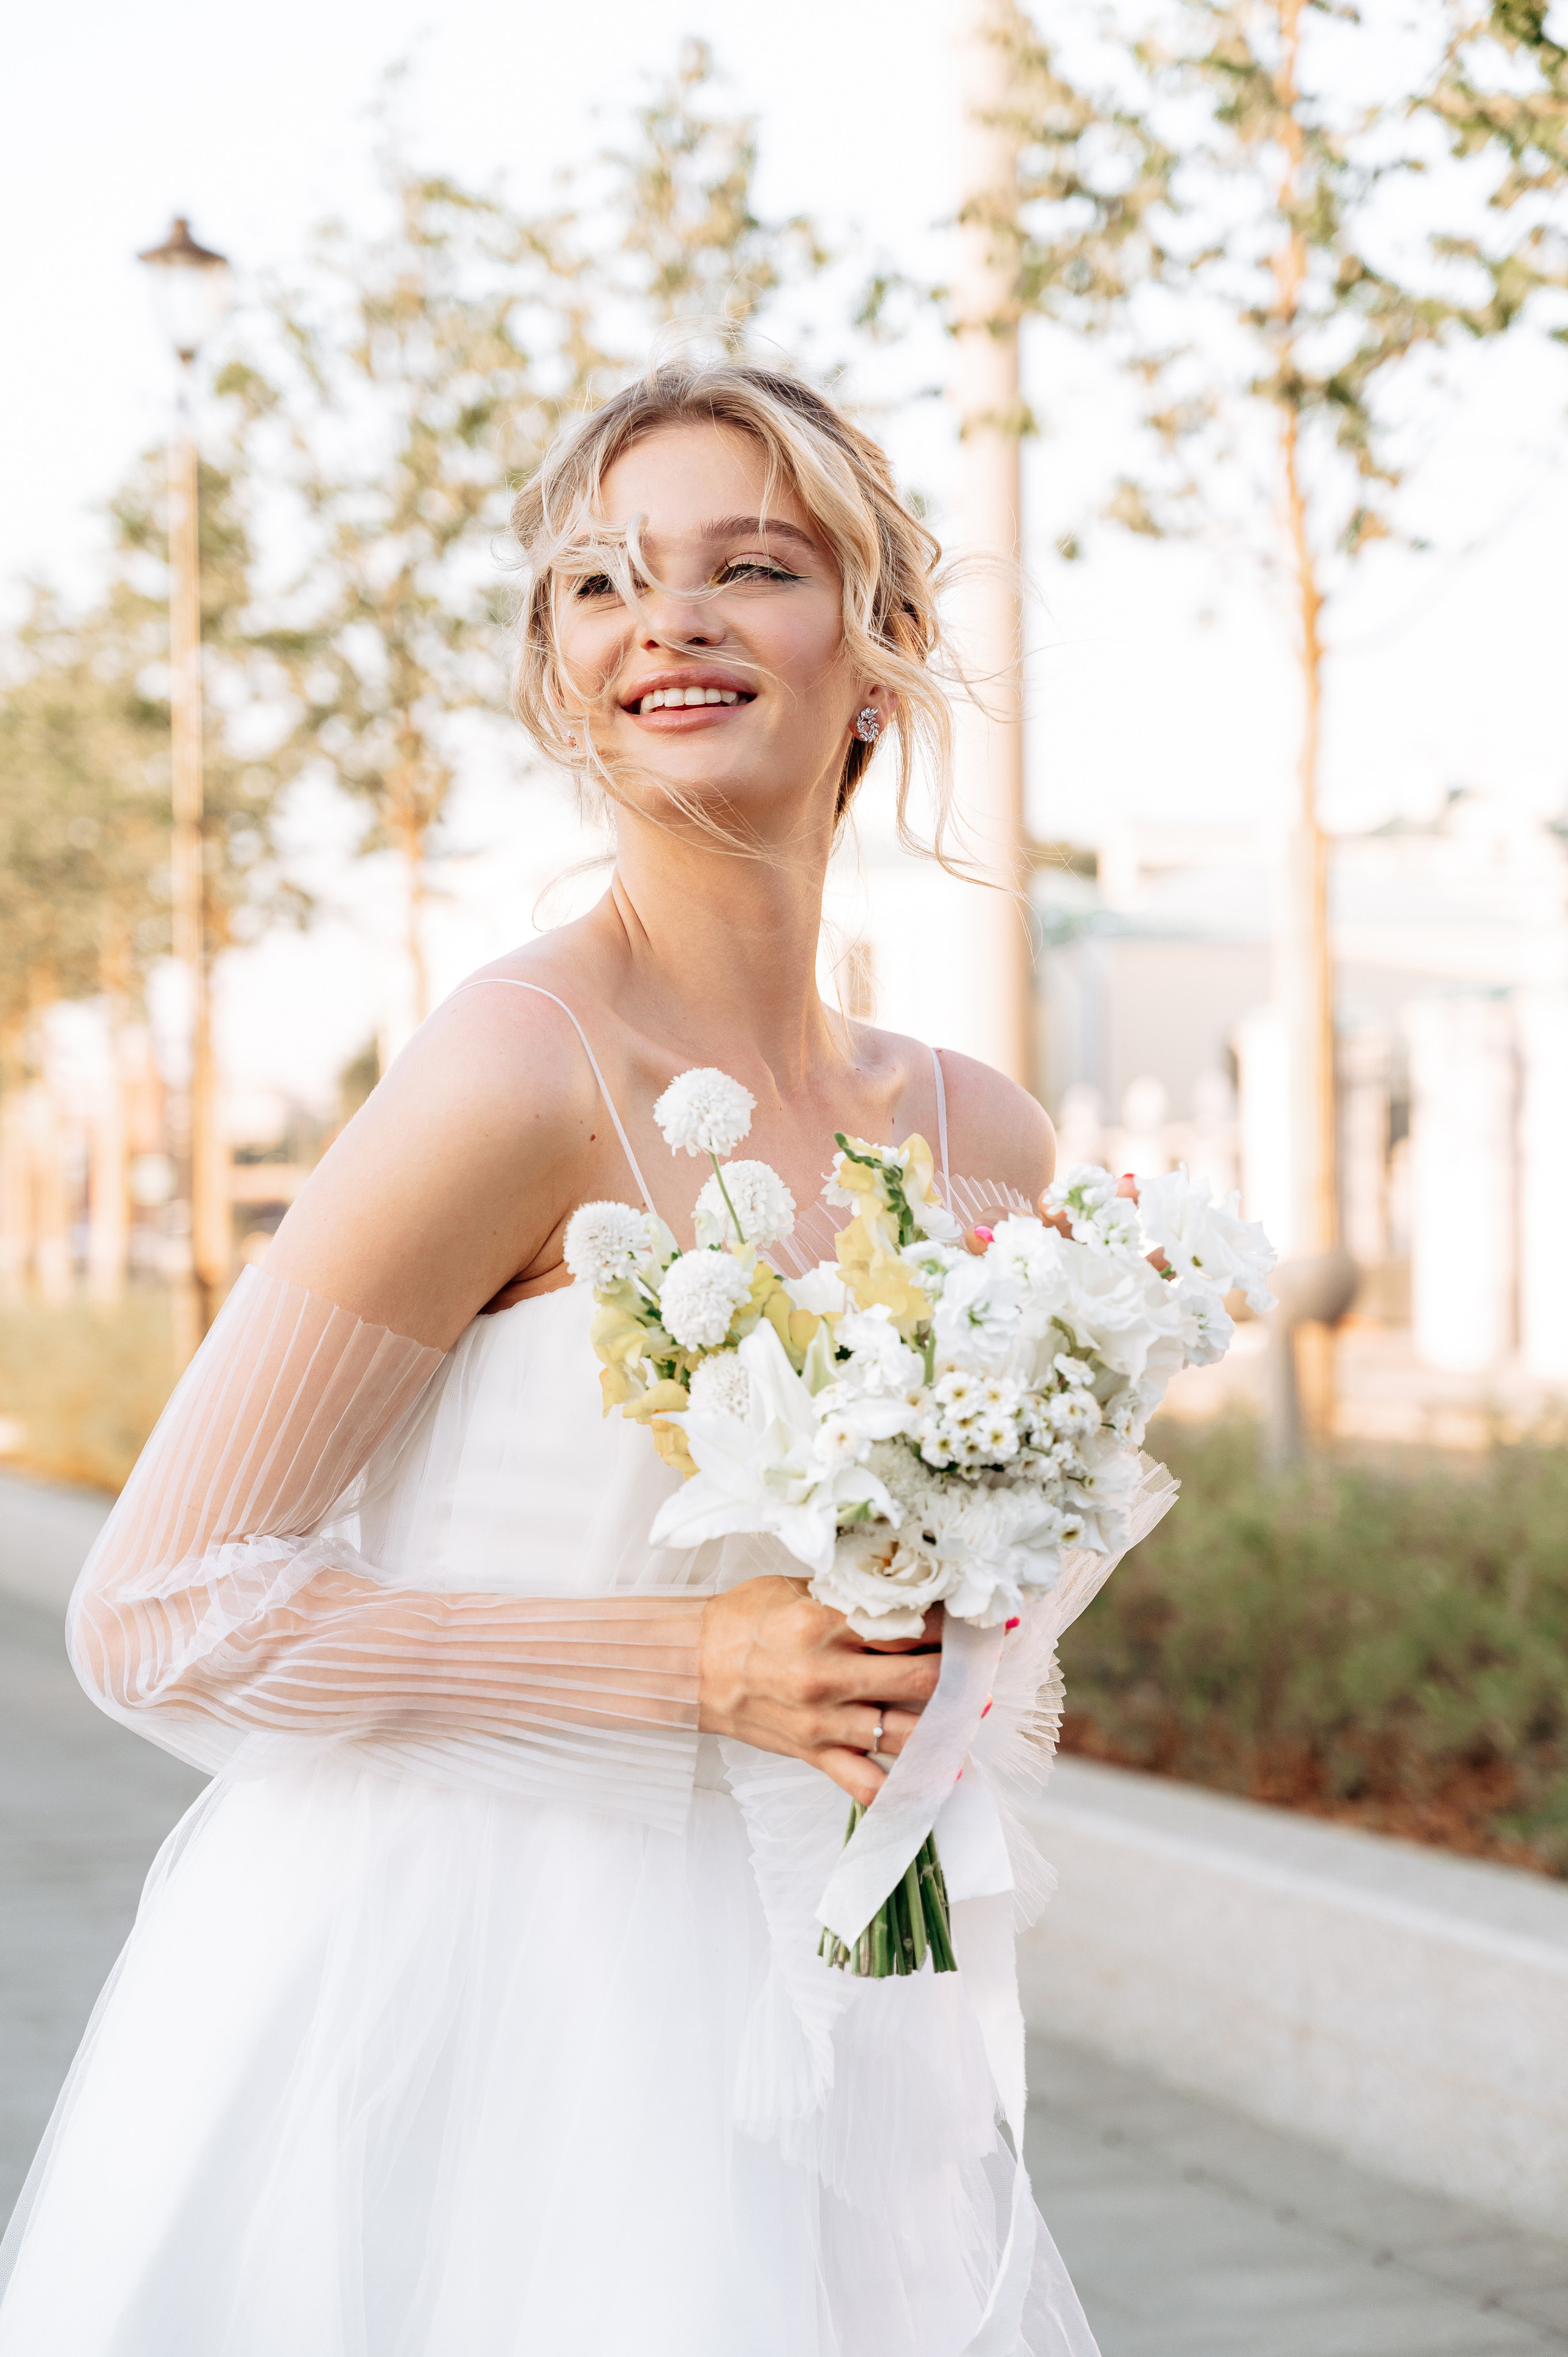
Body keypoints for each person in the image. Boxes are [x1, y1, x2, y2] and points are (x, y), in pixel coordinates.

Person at [0, 359, 1102, 2356]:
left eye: (746, 566)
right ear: (556, 674)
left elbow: (980, 1624)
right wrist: (696, 1669)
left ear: (878, 652)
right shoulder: (514, 1068)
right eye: (601, 581)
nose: (663, 619)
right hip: (485, 2004)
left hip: (830, 2015)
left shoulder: (981, 1140)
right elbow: (155, 1610)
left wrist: (960, 1652)